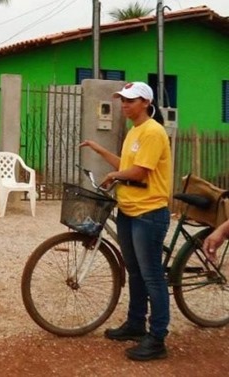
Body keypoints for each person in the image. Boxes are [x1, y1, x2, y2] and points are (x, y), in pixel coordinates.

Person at [80, 81, 172, 361]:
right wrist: (99, 150)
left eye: (130, 100)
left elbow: (140, 172)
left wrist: (114, 176)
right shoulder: (135, 131)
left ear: (146, 102)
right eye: (123, 100)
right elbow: (125, 165)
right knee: (134, 271)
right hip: (129, 210)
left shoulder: (153, 132)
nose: (124, 105)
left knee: (152, 276)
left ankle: (157, 338)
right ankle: (135, 324)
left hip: (149, 212)